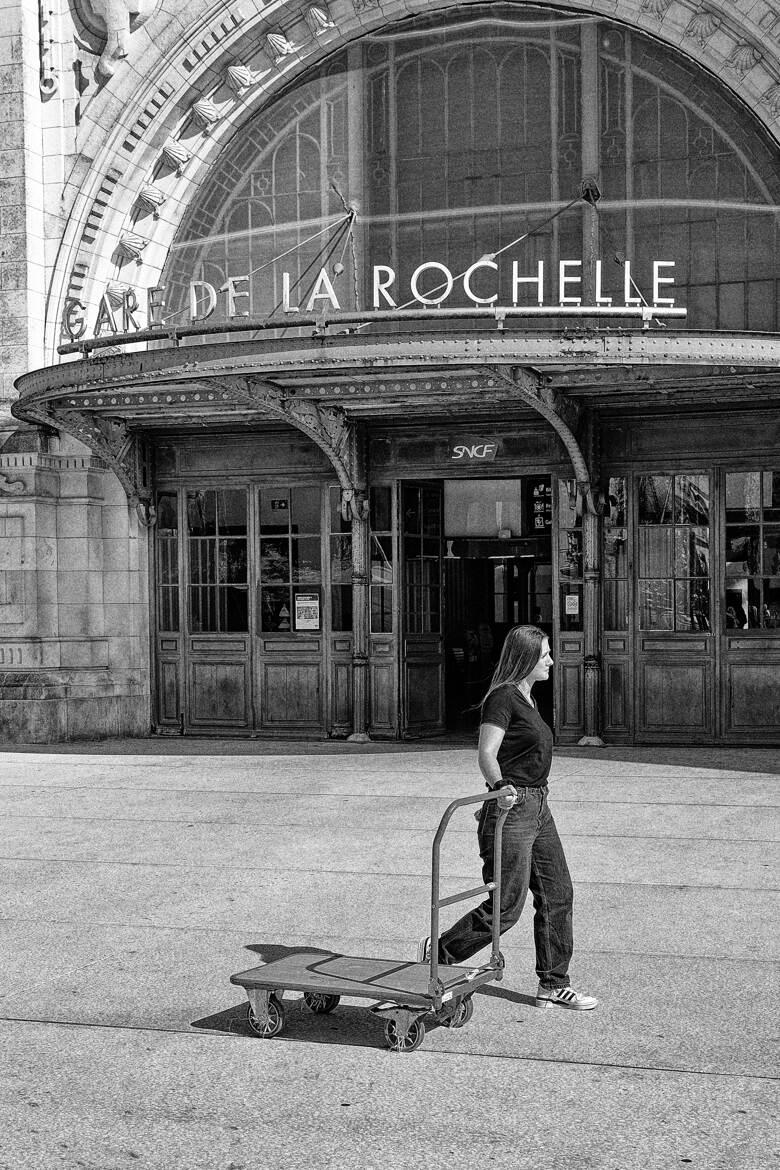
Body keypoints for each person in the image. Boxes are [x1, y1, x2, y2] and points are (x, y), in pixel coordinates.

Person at [417, 624, 598, 1010]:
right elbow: (486, 753)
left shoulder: (528, 698)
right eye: (545, 653)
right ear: (526, 657)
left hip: (539, 808)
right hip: (511, 809)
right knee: (506, 907)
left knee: (557, 893)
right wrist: (501, 787)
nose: (551, 660)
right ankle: (439, 955)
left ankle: (553, 982)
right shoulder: (502, 698)